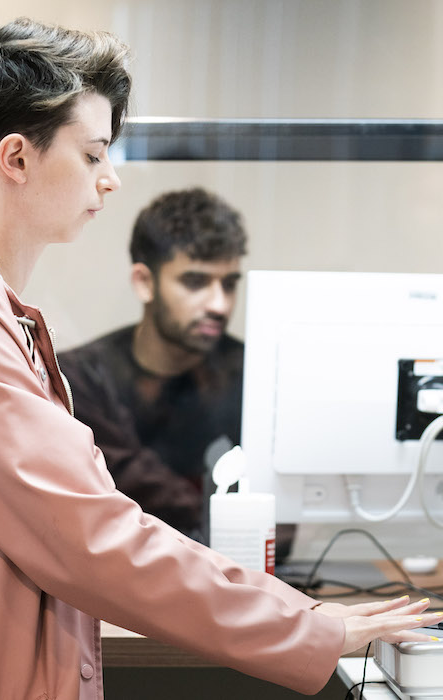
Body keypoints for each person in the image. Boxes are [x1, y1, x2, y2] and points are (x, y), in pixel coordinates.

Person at [0, 17, 441, 700]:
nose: (108, 180)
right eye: (92, 154)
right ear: (16, 159)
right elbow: (88, 535)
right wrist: (302, 622)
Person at [59, 187, 294, 556]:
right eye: (195, 282)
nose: (219, 304)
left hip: (238, 584)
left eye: (229, 284)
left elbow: (282, 530)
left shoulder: (258, 376)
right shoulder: (80, 380)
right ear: (144, 282)